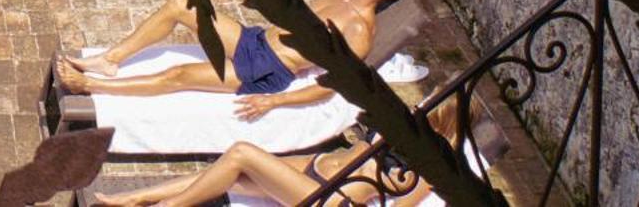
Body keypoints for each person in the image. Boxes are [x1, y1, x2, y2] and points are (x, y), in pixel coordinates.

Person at [57, 0, 412, 116]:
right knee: (183, 3)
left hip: (265, 70)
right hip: (255, 40)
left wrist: (274, 101)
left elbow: (329, 86)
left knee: (177, 76)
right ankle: (109, 61)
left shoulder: (359, 31)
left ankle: (90, 86)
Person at [93, 93, 482, 207]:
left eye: (435, 102)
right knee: (229, 173)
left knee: (241, 153)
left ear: (448, 117)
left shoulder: (437, 163)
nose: (425, 102)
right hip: (318, 169)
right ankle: (137, 197)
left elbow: (404, 203)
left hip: (331, 200)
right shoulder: (404, 128)